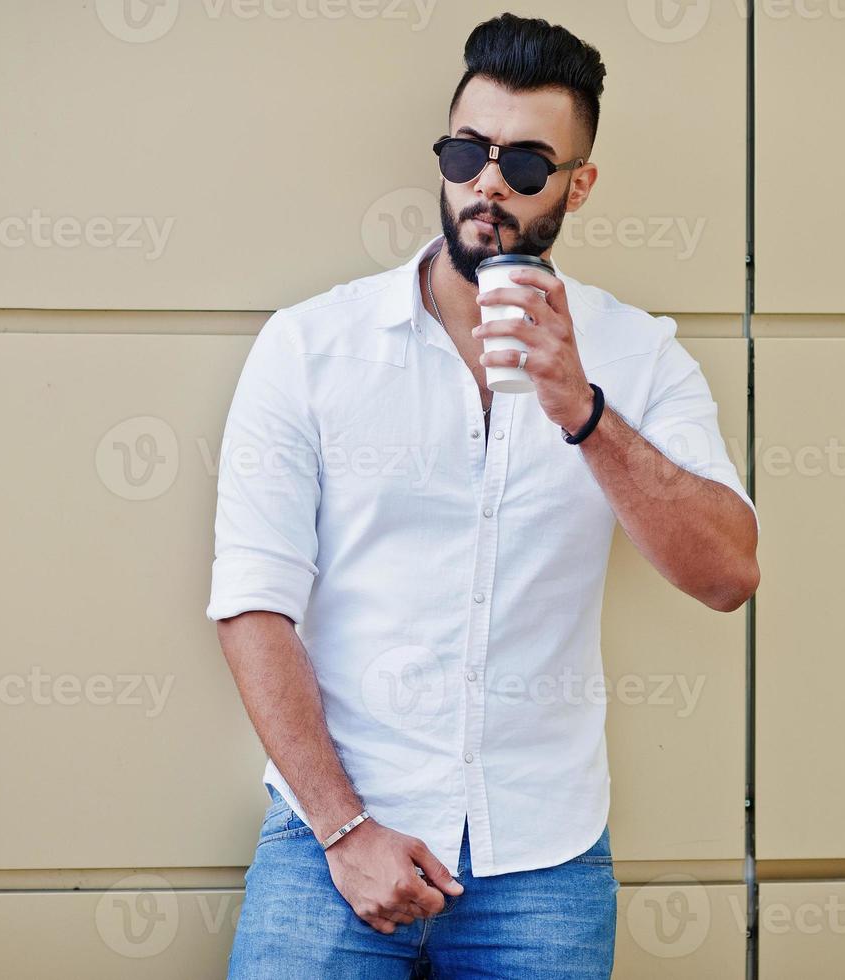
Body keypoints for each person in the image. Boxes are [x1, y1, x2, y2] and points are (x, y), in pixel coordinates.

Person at [208, 12, 760, 978]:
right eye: (467, 150)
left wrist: (580, 407)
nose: (487, 183)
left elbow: (727, 573)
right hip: (330, 845)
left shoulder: (638, 355)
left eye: (528, 164)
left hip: (540, 863)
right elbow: (254, 605)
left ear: (578, 185)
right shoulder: (309, 347)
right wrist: (345, 831)